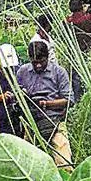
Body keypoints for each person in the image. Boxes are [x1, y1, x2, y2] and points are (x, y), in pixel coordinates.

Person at [16, 40, 74, 170]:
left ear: (47, 57)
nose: (37, 66)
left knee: (65, 164)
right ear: (30, 58)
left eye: (41, 61)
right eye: (34, 62)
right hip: (31, 123)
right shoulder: (23, 72)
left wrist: (46, 104)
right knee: (27, 166)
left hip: (55, 123)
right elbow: (17, 93)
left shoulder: (58, 72)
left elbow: (69, 100)